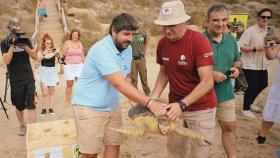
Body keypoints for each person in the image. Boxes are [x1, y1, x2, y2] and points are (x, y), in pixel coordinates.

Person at [71, 13, 167, 158]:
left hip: (112, 107)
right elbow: (118, 83)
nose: (130, 38)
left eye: (133, 34)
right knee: (89, 153)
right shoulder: (101, 50)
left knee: (114, 146)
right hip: (89, 108)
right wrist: (149, 102)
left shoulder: (127, 49)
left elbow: (126, 78)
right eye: (126, 34)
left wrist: (135, 103)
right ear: (113, 31)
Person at [151, 1, 217, 158]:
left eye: (172, 25)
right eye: (164, 25)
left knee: (200, 152)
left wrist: (182, 104)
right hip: (173, 107)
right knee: (175, 149)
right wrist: (153, 98)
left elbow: (207, 81)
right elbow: (163, 72)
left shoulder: (198, 41)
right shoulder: (162, 43)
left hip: (201, 108)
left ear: (184, 22)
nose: (167, 30)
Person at [203, 4, 241, 158]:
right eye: (216, 20)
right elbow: (189, 69)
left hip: (225, 94)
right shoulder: (198, 40)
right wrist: (210, 74)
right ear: (207, 21)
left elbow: (237, 60)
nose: (221, 24)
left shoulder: (231, 40)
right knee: (200, 134)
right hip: (201, 97)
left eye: (224, 20)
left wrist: (236, 69)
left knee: (230, 128)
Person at [1, 19, 38, 136]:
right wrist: (12, 45)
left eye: (20, 30)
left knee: (31, 104)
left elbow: (35, 56)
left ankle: (33, 130)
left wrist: (24, 46)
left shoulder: (26, 41)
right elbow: (6, 61)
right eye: (16, 31)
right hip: (15, 79)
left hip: (28, 77)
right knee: (19, 105)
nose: (19, 33)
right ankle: (22, 125)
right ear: (10, 32)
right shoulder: (5, 43)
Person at [239, 8, 273, 117]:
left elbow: (270, 45)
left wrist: (271, 44)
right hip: (250, 63)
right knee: (252, 86)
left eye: (268, 17)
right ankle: (245, 109)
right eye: (263, 17)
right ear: (259, 17)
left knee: (263, 84)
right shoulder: (250, 31)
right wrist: (254, 48)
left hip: (263, 63)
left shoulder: (269, 30)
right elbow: (240, 46)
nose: (265, 19)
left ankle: (250, 102)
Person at [254, 34, 280, 144]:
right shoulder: (279, 43)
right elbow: (270, 56)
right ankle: (262, 135)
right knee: (272, 108)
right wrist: (268, 45)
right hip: (279, 85)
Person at [35, 33, 58, 116]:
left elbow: (59, 61)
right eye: (47, 43)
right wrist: (43, 54)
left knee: (51, 92)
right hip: (44, 72)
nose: (49, 45)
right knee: (44, 93)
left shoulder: (55, 51)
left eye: (50, 43)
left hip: (52, 72)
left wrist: (58, 56)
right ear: (44, 43)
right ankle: (44, 108)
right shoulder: (40, 51)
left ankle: (51, 108)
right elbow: (37, 63)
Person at [60, 28, 84, 107]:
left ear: (78, 36)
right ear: (71, 35)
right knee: (69, 84)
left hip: (79, 65)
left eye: (77, 35)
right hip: (69, 66)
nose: (75, 36)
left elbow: (82, 55)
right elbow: (62, 56)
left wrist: (85, 65)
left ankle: (79, 100)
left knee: (80, 83)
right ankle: (68, 101)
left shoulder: (80, 43)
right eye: (74, 34)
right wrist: (61, 66)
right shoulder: (67, 43)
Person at [130, 29, 151, 96]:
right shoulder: (130, 34)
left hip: (141, 58)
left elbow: (146, 43)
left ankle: (147, 93)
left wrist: (144, 54)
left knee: (143, 76)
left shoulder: (143, 33)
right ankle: (134, 94)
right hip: (132, 59)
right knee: (133, 78)